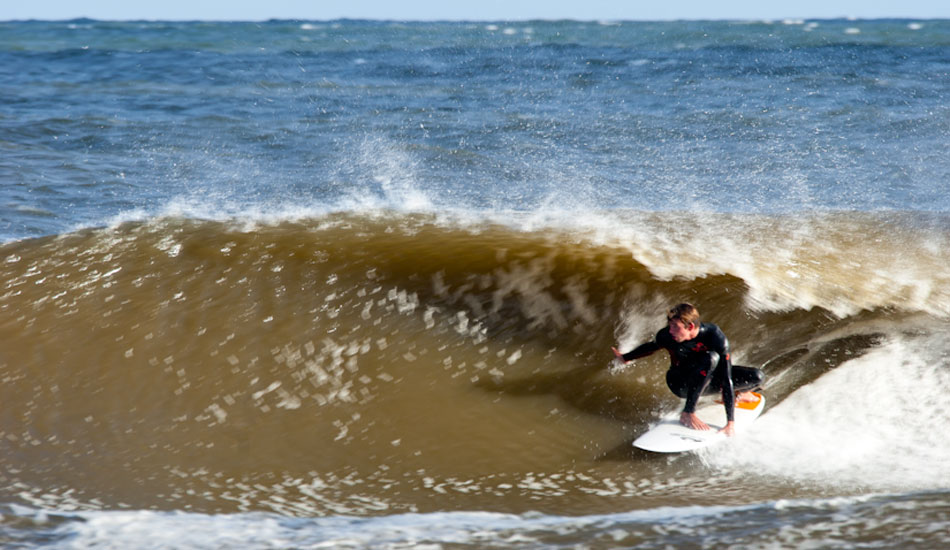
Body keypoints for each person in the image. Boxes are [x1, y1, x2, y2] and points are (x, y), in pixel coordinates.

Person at [612, 303, 764, 437]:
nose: (670, 330)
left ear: (690, 326)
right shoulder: (667, 336)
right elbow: (651, 347)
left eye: (675, 327)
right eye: (670, 325)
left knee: (757, 377)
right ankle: (688, 413)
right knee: (711, 358)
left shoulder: (714, 337)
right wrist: (626, 357)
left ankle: (734, 396)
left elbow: (726, 377)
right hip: (679, 382)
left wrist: (730, 422)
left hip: (706, 380)